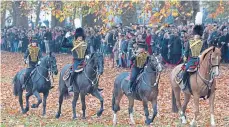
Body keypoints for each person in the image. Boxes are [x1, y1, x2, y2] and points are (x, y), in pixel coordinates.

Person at [179, 12, 204, 90]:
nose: (197, 36)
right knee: (186, 71)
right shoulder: (190, 42)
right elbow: (186, 52)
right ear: (194, 34)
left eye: (198, 35)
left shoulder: (202, 42)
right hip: (192, 60)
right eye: (196, 35)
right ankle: (184, 84)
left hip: (201, 59)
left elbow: (204, 51)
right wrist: (185, 58)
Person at [62, 28, 88, 92]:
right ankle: (71, 86)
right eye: (79, 37)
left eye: (81, 37)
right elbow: (63, 45)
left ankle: (94, 86)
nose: (80, 38)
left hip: (84, 60)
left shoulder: (85, 43)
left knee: (92, 70)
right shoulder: (73, 43)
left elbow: (87, 51)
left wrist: (87, 55)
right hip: (76, 61)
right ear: (76, 37)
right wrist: (65, 37)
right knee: (74, 72)